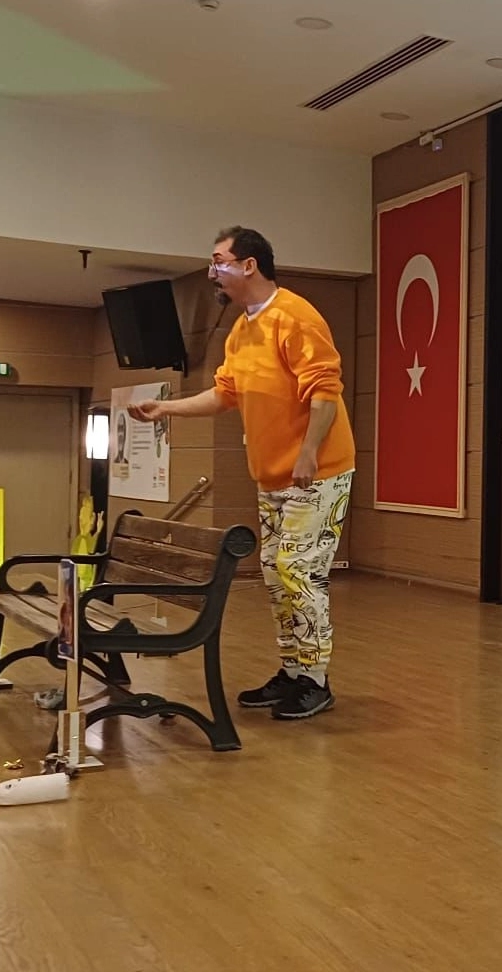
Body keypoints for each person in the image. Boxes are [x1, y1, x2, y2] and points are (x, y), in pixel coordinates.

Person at [128, 226, 355, 719]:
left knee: (298, 570)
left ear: (249, 265)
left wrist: (309, 453)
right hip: (272, 476)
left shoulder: (295, 316)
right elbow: (224, 394)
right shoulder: (241, 330)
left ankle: (316, 680)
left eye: (219, 261)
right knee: (274, 572)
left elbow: (325, 390)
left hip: (318, 471)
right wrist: (166, 409)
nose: (212, 272)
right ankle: (292, 671)